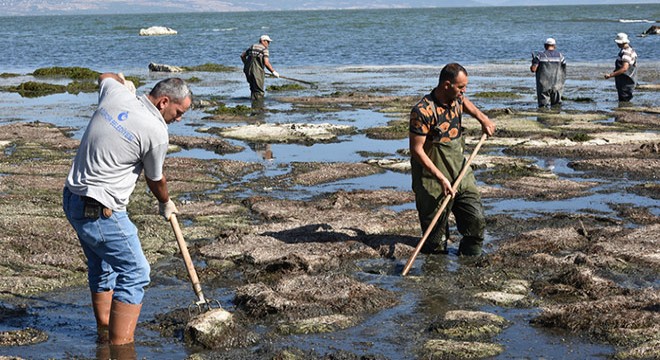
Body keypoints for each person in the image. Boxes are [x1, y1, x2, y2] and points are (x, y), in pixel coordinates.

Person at [63, 73, 192, 348]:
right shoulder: (156, 132)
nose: (179, 119)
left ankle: (103, 335)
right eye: (178, 112)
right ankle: (121, 349)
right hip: (100, 211)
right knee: (136, 271)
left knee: (103, 265)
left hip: (72, 199)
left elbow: (105, 77)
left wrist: (123, 82)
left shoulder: (116, 94)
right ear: (164, 102)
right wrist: (165, 202)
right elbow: (155, 178)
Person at [409, 63, 496, 256]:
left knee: (476, 221)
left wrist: (483, 119)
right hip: (431, 179)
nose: (464, 91)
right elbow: (416, 150)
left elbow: (465, 103)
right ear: (446, 85)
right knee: (436, 241)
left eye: (465, 86)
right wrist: (441, 178)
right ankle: (438, 280)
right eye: (461, 87)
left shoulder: (457, 98)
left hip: (460, 171)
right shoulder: (422, 111)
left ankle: (469, 268)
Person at [241, 34, 280, 107]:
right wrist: (273, 72)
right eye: (268, 42)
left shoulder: (252, 46)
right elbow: (266, 63)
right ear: (263, 41)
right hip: (257, 72)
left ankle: (253, 106)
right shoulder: (264, 50)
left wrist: (246, 64)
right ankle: (259, 108)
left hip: (248, 71)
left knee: (252, 88)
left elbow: (242, 56)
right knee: (259, 90)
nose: (268, 44)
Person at [530, 37, 566, 108]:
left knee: (543, 107)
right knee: (556, 106)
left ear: (545, 45)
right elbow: (564, 69)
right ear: (554, 46)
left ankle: (543, 118)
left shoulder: (539, 56)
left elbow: (533, 69)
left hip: (543, 85)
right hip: (557, 85)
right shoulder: (561, 56)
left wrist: (533, 62)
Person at [604, 32, 638, 102]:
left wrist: (611, 75)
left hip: (626, 81)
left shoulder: (626, 52)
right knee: (626, 98)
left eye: (617, 43)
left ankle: (625, 111)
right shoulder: (631, 50)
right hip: (628, 79)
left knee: (624, 99)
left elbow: (624, 68)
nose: (617, 44)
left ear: (621, 42)